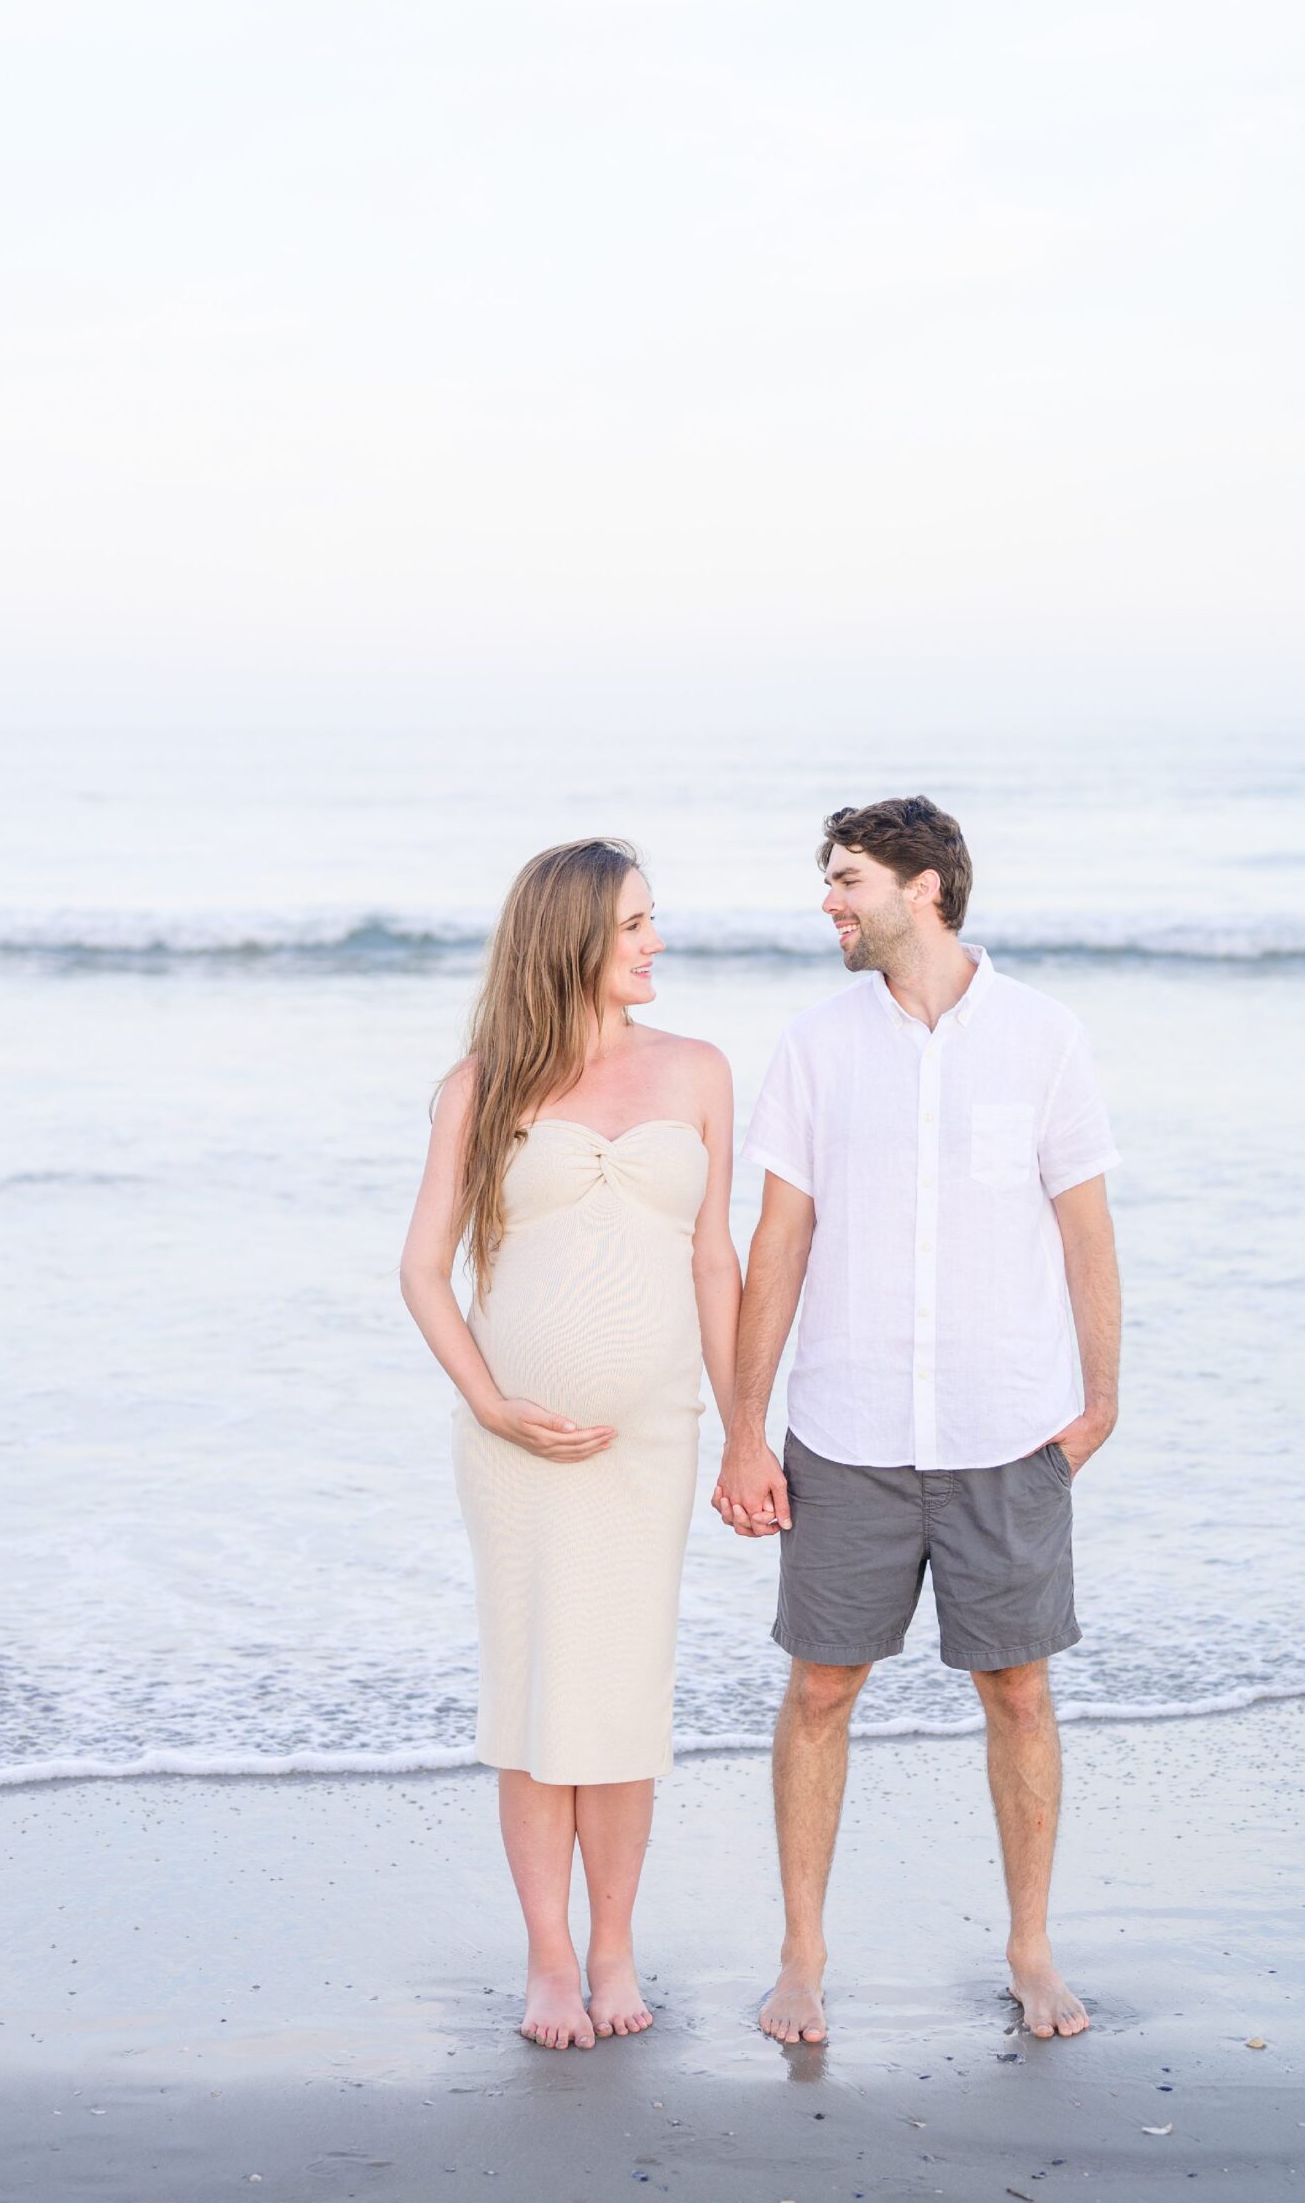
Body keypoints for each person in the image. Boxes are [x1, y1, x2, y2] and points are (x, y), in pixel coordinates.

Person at [714, 796, 1122, 2047]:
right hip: (846, 1430)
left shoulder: (1043, 1038)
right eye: (828, 881)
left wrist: (1099, 1402)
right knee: (820, 1687)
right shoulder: (815, 1046)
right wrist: (741, 1429)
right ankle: (800, 1958)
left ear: (922, 887)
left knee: (1016, 1689)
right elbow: (775, 1246)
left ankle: (1030, 1948)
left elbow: (1086, 1236)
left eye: (845, 879)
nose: (828, 902)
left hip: (1008, 1428)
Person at [400, 839, 739, 2051]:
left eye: (654, 921)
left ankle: (614, 1947)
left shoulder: (698, 1069)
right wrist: (490, 1401)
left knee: (625, 1699)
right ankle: (548, 1957)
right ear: (572, 936)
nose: (655, 941)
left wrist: (745, 1426)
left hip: (653, 1441)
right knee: (540, 1696)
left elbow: (714, 1260)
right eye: (636, 923)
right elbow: (421, 1270)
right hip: (516, 1451)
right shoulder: (480, 1082)